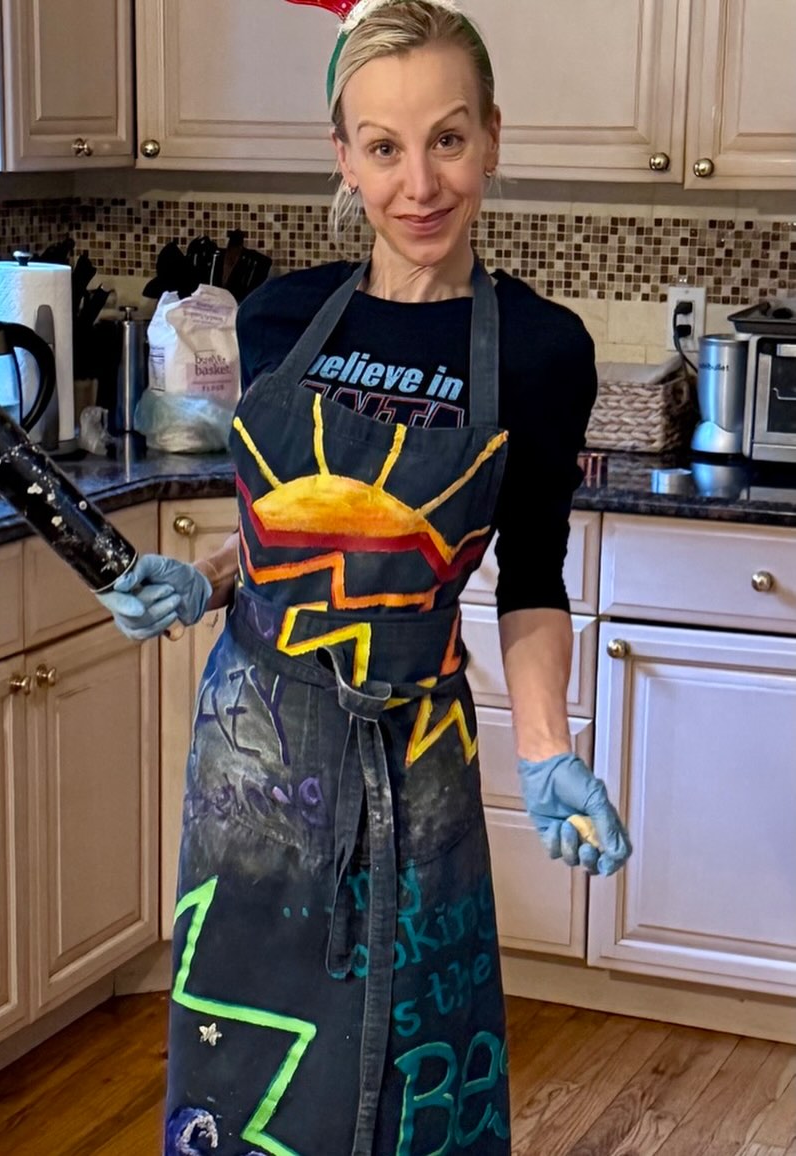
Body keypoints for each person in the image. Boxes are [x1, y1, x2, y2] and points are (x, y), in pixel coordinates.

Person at [97, 1, 632, 1152]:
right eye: (383, 147)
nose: (419, 183)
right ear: (342, 154)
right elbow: (292, 536)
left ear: (491, 135)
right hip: (252, 762)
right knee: (242, 1076)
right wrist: (200, 582)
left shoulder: (539, 351)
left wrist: (547, 747)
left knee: (411, 1073)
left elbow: (529, 572)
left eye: (446, 138)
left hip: (416, 759)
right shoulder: (283, 318)